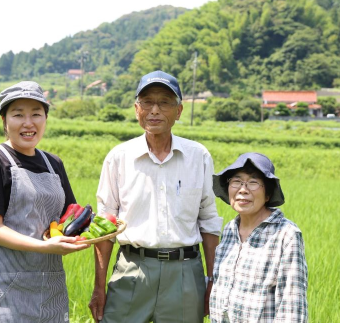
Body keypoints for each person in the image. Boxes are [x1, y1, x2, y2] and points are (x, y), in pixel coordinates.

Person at [88, 70, 223, 323]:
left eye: (164, 102)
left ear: (179, 111)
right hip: (132, 270)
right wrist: (99, 286)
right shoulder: (119, 157)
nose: (155, 110)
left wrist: (213, 280)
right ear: (136, 109)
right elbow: (104, 227)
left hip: (185, 274)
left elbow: (209, 222)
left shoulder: (198, 156)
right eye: (147, 102)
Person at [0, 81, 89, 322]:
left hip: (48, 288)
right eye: (18, 114)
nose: (28, 123)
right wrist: (45, 247)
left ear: (45, 119)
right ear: (4, 120)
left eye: (36, 114)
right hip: (2, 288)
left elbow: (68, 217)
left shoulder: (54, 164)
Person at [209, 152, 308, 322]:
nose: (243, 190)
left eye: (253, 182)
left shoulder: (286, 235)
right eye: (236, 182)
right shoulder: (229, 231)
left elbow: (292, 304)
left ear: (268, 194)